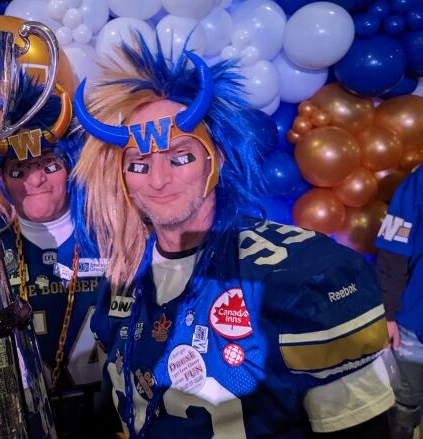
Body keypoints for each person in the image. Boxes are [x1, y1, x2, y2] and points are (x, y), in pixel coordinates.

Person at [72, 38, 394, 438]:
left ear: (216, 159)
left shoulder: (302, 275)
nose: (158, 180)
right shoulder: (123, 277)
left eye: (180, 157)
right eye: (139, 164)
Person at [0, 74, 117, 437]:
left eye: (48, 165)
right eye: (19, 170)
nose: (34, 182)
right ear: (2, 179)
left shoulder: (113, 238)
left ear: (70, 169)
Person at [376, 165, 422, 439]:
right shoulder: (420, 180)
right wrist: (388, 313)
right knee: (404, 406)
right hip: (414, 323)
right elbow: (393, 250)